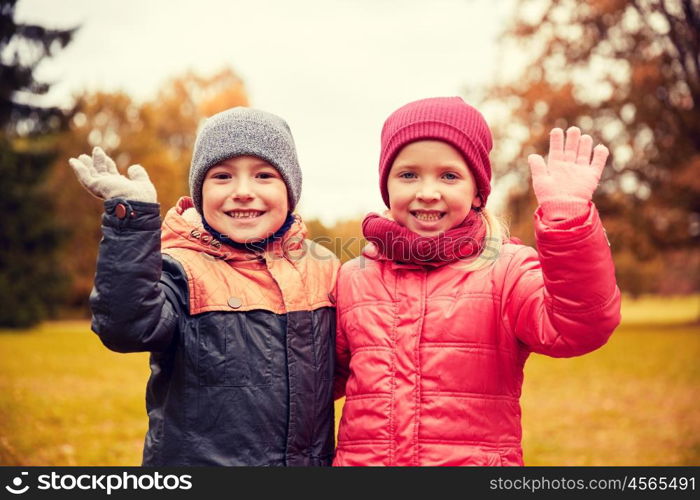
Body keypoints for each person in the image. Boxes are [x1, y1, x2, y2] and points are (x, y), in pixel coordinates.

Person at [332, 96, 621, 466]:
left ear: (477, 191)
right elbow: (316, 381)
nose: (427, 191)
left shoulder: (506, 272)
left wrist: (566, 223)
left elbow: (580, 326)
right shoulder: (354, 278)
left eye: (449, 175)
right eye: (408, 174)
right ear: (386, 186)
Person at [69, 107, 339, 466]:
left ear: (290, 190)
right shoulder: (180, 268)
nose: (243, 191)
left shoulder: (323, 268)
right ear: (199, 192)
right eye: (223, 177)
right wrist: (132, 224)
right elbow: (126, 327)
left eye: (263, 175)